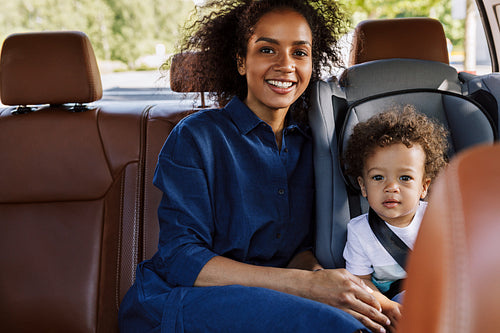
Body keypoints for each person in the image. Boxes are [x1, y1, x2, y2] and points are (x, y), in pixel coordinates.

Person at [119, 0, 391, 332]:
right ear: (240, 61)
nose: (286, 65)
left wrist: (341, 287)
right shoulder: (196, 136)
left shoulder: (315, 144)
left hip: (279, 303)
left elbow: (298, 253)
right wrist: (307, 287)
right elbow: (181, 259)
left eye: (300, 53)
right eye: (267, 50)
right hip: (183, 302)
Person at [342, 106, 449, 332]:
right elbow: (361, 282)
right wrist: (386, 305)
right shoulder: (359, 231)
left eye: (405, 178)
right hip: (390, 303)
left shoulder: (436, 218)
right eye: (378, 177)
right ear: (363, 186)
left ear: (424, 187)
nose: (391, 187)